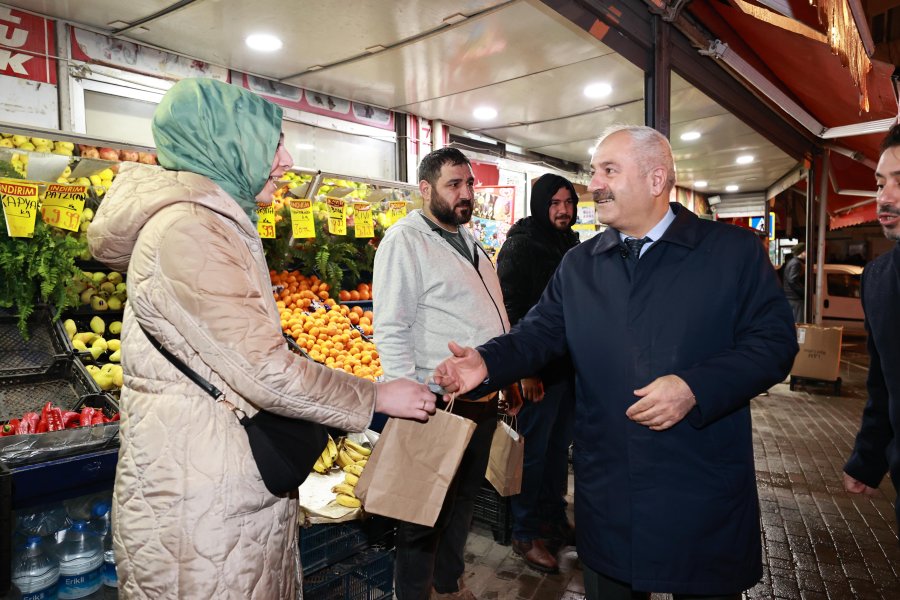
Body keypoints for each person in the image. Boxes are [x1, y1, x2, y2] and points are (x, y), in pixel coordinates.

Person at [86, 78, 435, 599]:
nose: (288, 159)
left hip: (210, 491)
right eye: (273, 144)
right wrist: (375, 395)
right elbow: (264, 369)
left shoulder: (204, 222)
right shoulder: (189, 231)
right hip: (203, 511)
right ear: (227, 143)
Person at [433, 125, 798, 599]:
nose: (594, 184)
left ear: (655, 179)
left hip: (699, 484)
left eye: (609, 170)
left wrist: (695, 387)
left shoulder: (731, 254)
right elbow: (540, 331)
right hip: (611, 488)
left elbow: (773, 344)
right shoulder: (582, 264)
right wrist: (485, 362)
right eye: (594, 171)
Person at [373, 147, 518, 600]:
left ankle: (449, 584)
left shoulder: (469, 239)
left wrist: (506, 373)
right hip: (434, 402)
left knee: (461, 503)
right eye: (454, 184)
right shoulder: (406, 240)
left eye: (470, 184)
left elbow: (493, 314)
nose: (466, 193)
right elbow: (391, 324)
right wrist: (407, 392)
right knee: (422, 510)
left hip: (479, 399)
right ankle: (414, 594)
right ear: (425, 189)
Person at [495, 173, 579, 573]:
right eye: (555, 203)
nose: (563, 210)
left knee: (555, 454)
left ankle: (552, 521)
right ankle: (525, 535)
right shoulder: (521, 245)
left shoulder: (569, 242)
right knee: (530, 456)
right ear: (540, 205)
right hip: (537, 374)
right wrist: (524, 369)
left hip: (567, 370)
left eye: (568, 203)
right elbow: (510, 310)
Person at [843, 124, 900, 539]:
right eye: (881, 182)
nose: (886, 197)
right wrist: (868, 459)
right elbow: (883, 383)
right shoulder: (878, 278)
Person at [783, 243, 807, 322]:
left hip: (791, 297)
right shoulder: (796, 263)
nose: (807, 254)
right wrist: (803, 292)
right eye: (806, 251)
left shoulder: (793, 262)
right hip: (795, 298)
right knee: (798, 322)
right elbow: (792, 280)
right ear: (802, 252)